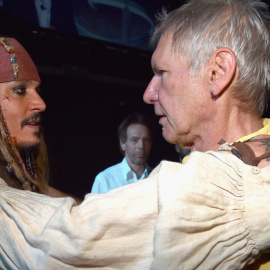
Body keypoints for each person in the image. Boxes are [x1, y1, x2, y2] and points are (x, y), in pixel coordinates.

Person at [0, 0, 270, 269]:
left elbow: (67, 241)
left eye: (162, 73)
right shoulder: (230, 163)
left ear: (218, 72)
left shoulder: (240, 180)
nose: (148, 93)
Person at [91, 113, 153, 193]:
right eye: (134, 140)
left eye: (146, 140)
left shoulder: (158, 177)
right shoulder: (105, 180)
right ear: (123, 143)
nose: (141, 145)